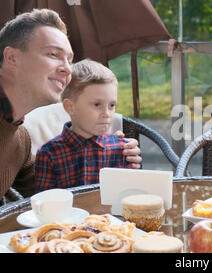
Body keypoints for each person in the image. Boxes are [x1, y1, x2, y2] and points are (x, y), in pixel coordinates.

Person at [0, 9, 141, 199]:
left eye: (69, 60)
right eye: (53, 54)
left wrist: (106, 154)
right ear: (12, 58)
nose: (68, 69)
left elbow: (52, 192)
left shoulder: (20, 140)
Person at [35, 59, 131, 191]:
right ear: (70, 107)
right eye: (97, 105)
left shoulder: (122, 148)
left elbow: (129, 195)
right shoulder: (49, 153)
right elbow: (45, 203)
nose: (107, 113)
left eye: (112, 105)